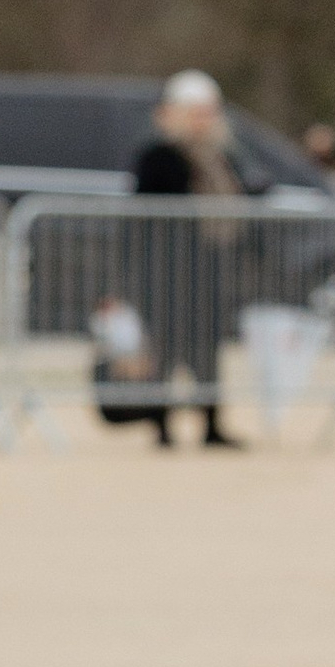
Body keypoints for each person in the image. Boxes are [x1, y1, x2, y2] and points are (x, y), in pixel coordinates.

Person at [132, 69, 247, 448]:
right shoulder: (159, 156)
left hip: (209, 264)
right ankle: (160, 424)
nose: (204, 121)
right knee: (164, 348)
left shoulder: (222, 156)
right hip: (168, 267)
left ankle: (211, 423)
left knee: (208, 349)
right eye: (196, 113)